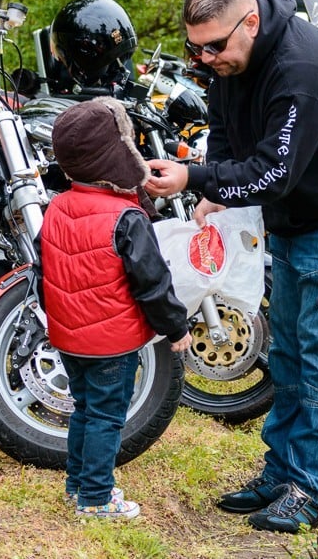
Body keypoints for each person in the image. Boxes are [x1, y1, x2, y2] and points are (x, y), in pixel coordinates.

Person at [145, 0, 318, 533]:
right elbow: (223, 132)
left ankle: (311, 491)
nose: (205, 57)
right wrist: (216, 188)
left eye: (215, 46)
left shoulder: (301, 70)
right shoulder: (229, 61)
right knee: (288, 349)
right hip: (300, 211)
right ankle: (281, 474)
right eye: (195, 46)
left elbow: (274, 171)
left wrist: (196, 180)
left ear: (251, 22)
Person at [39, 97, 191, 518]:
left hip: (69, 339)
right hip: (112, 345)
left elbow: (44, 273)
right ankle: (96, 498)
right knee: (107, 417)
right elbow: (153, 284)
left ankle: (76, 485)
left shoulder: (55, 207)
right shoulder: (127, 218)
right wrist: (176, 328)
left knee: (84, 410)